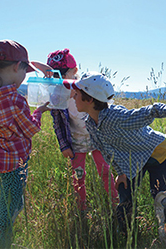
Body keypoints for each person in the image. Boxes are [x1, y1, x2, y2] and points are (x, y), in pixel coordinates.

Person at [62, 71, 166, 240]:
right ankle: (127, 234)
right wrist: (121, 172)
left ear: (90, 99)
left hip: (155, 151)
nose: (73, 97)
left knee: (160, 195)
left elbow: (146, 113)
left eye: (76, 94)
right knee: (124, 193)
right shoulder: (90, 123)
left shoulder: (116, 117)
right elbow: (107, 151)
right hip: (133, 159)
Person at [0, 39, 50, 249]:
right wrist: (39, 112)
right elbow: (31, 129)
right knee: (10, 211)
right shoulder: (15, 99)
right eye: (25, 73)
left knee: (7, 206)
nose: (23, 79)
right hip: (12, 167)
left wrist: (33, 64)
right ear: (18, 67)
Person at [46, 49, 118, 211]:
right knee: (78, 176)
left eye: (65, 73)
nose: (61, 78)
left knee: (105, 171)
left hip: (96, 139)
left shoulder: (87, 87)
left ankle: (116, 203)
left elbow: (104, 110)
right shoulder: (56, 96)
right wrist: (64, 145)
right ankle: (81, 208)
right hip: (76, 143)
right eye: (56, 75)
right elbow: (57, 122)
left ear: (75, 71)